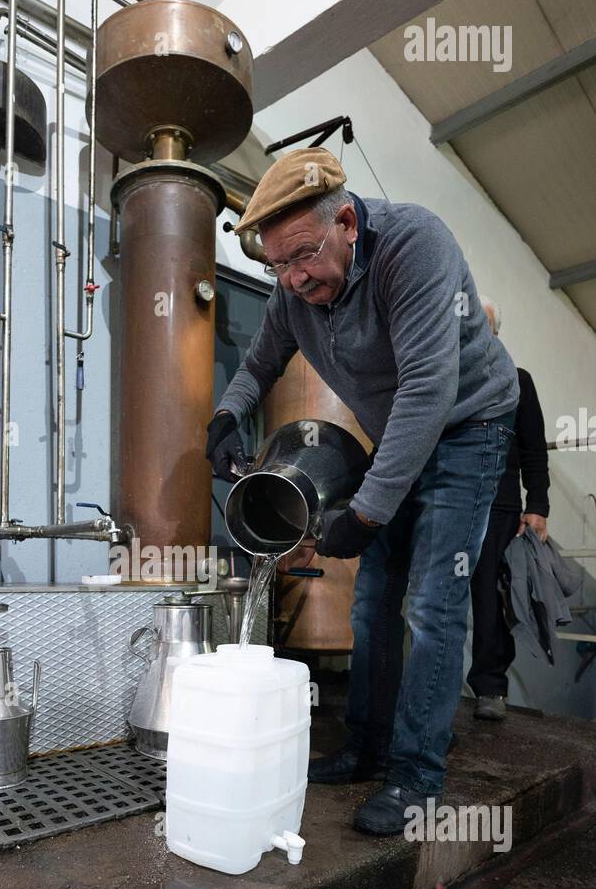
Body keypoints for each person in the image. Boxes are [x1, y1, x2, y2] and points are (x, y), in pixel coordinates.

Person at [206, 148, 519, 836]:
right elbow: (259, 365)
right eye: (276, 266)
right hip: (403, 432)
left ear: (347, 220)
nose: (292, 278)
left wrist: (369, 512)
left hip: (471, 425)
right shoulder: (295, 291)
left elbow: (429, 391)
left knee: (432, 601)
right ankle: (367, 745)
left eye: (303, 257)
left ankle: (415, 776)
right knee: (374, 598)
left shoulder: (416, 246)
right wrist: (227, 415)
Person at [467, 299, 549, 720]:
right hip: (450, 505)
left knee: (490, 601)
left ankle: (490, 689)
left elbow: (535, 449)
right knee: (434, 602)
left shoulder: (519, 382)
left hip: (498, 509)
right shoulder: (448, 379)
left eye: (487, 327)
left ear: (496, 334)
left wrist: (537, 505)